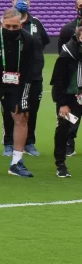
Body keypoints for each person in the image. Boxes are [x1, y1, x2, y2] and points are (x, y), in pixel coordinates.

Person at [0, 8, 35, 178]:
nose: (11, 30)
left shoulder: (28, 40)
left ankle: (16, 162)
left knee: (21, 117)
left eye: (15, 27)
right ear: (1, 23)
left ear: (21, 24)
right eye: (7, 26)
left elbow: (29, 71)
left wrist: (23, 98)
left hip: (16, 84)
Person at [1, 0, 49, 157]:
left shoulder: (37, 23)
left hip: (34, 77)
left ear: (30, 2)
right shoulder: (4, 23)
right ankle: (8, 143)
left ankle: (29, 142)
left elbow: (43, 43)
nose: (21, 1)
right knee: (9, 111)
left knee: (32, 111)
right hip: (11, 77)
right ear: (12, 2)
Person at [51, 25, 82, 178]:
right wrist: (62, 103)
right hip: (70, 99)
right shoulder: (67, 53)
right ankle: (60, 163)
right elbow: (58, 80)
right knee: (64, 127)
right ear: (79, 36)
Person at [57, 0, 82, 157]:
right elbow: (63, 52)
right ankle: (69, 142)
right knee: (72, 116)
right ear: (76, 8)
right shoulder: (68, 29)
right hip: (74, 83)